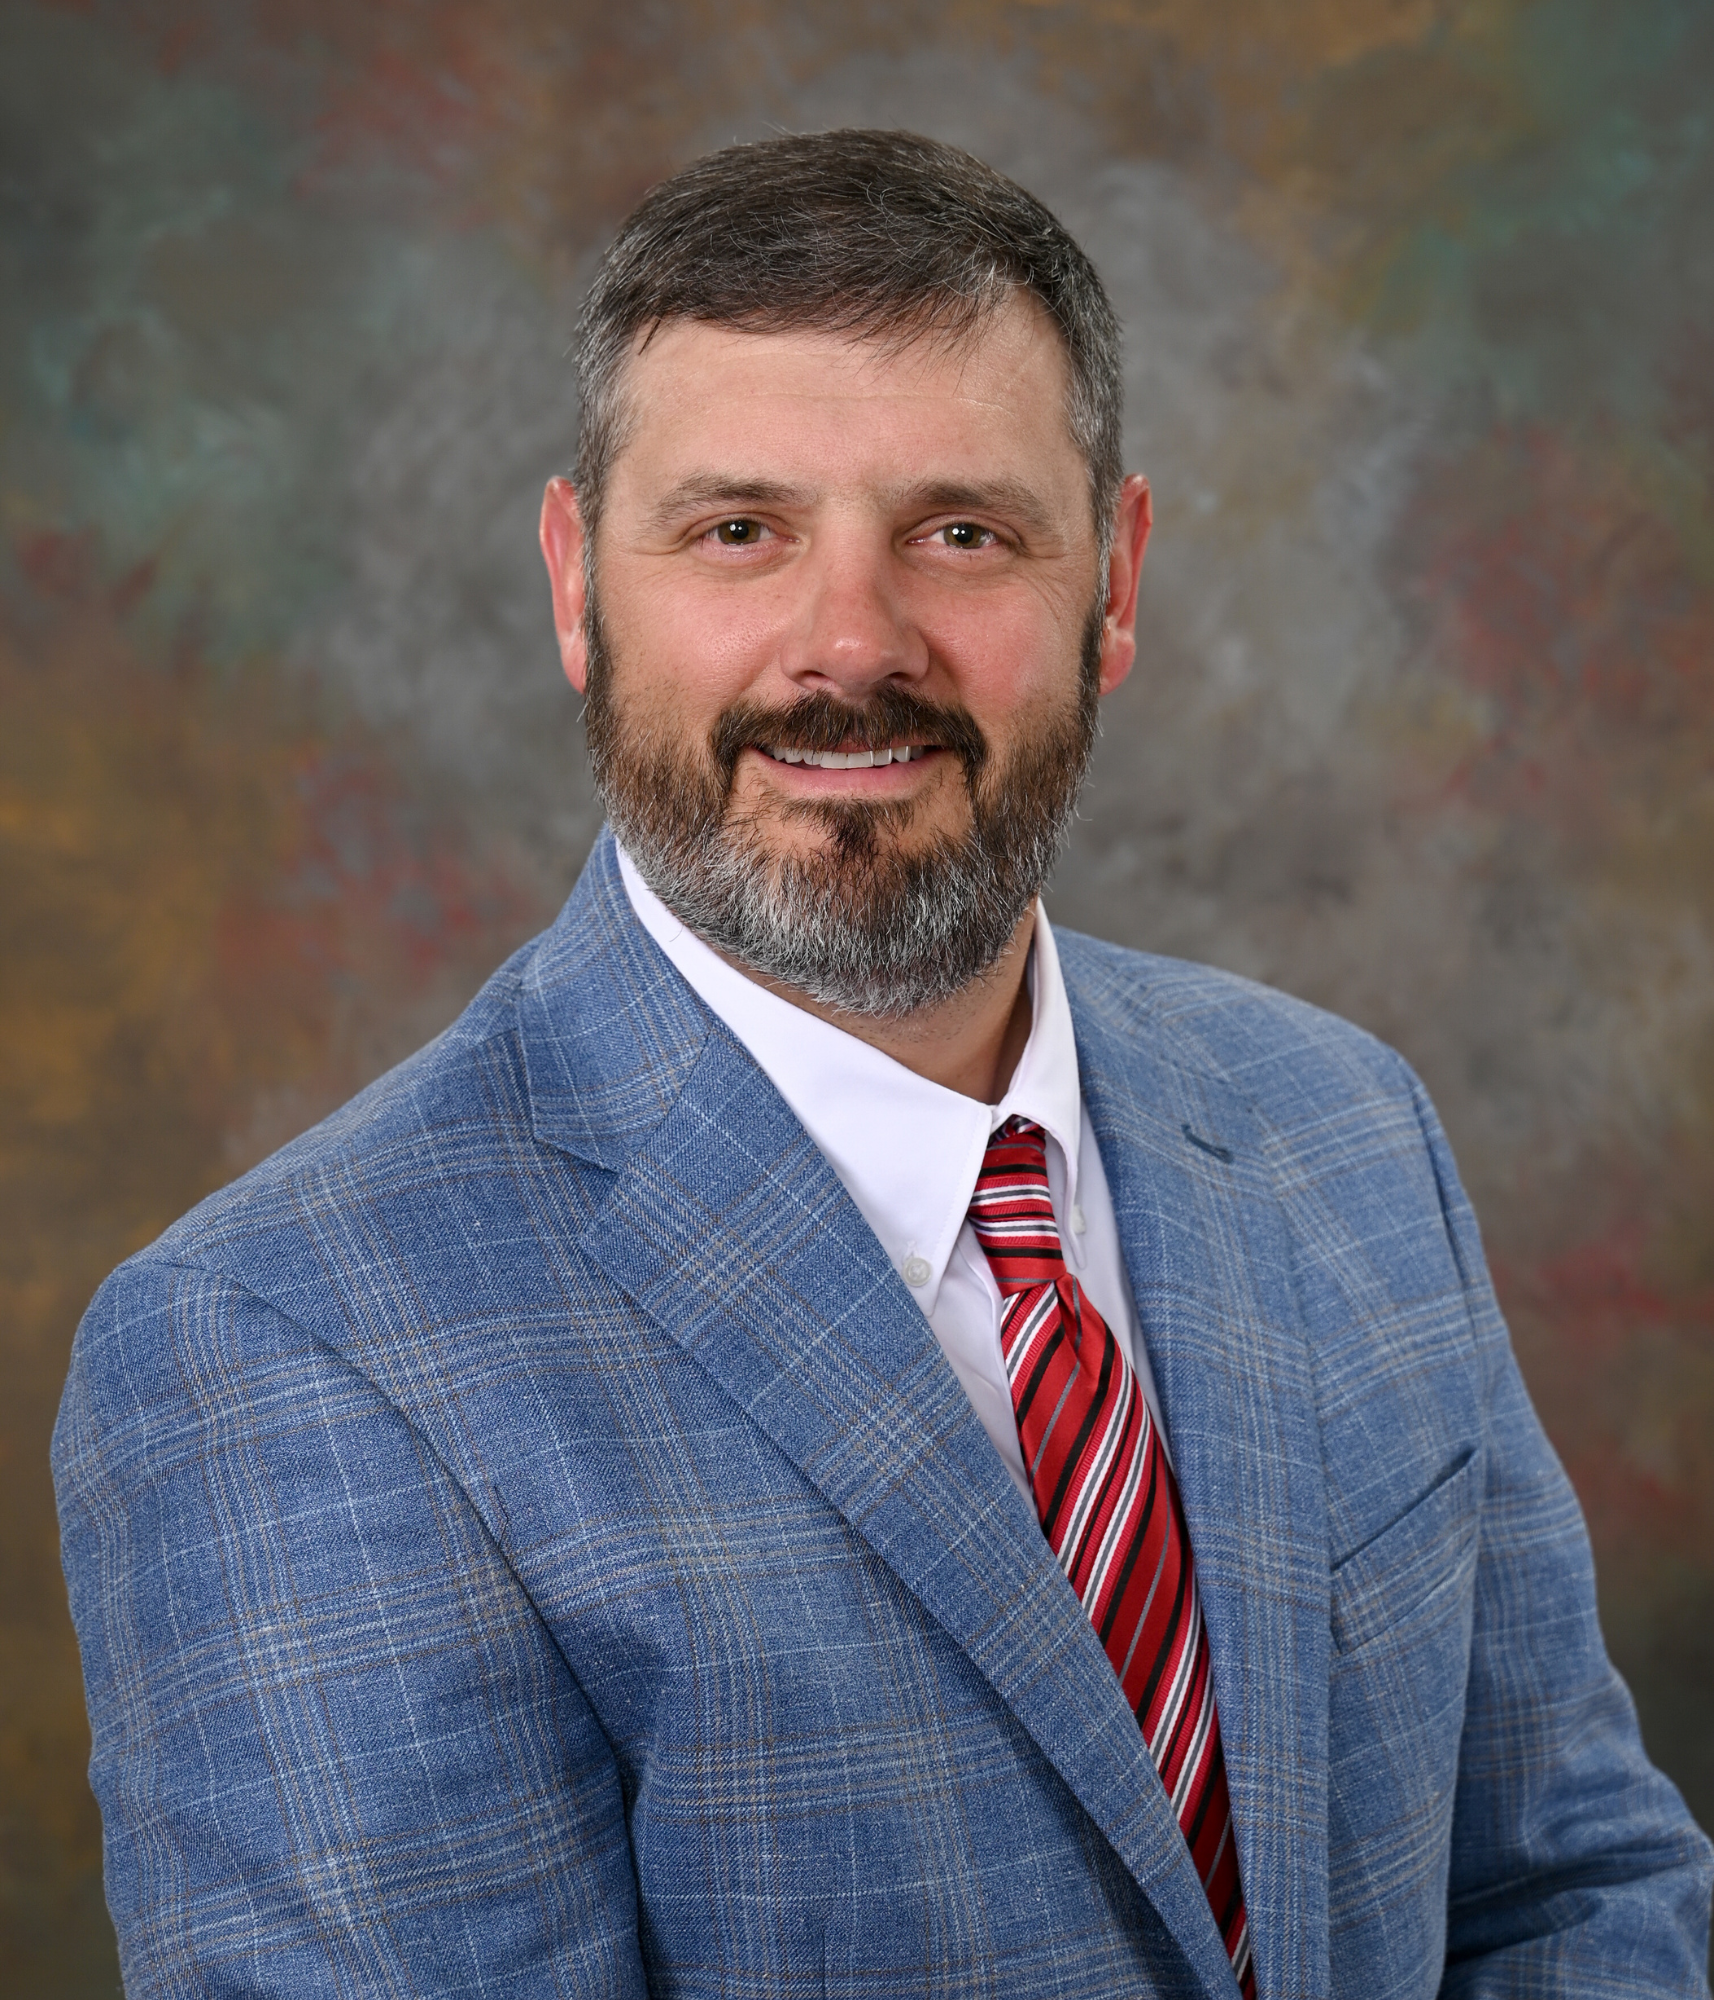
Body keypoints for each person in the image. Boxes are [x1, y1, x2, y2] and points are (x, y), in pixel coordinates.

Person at [54, 128, 1711, 1998]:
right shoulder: (280, 1352)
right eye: (738, 529)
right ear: (577, 584)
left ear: (1115, 578)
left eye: (962, 533)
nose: (850, 646)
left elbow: (1572, 1889)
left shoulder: (1340, 1128)